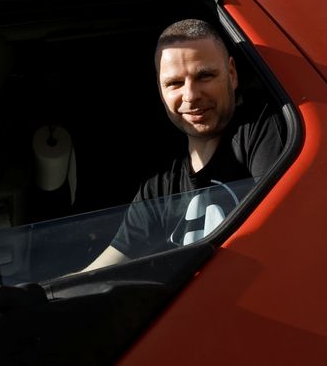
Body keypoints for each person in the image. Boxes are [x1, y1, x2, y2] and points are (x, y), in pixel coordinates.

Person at [83, 18, 286, 271]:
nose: (190, 95)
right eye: (174, 83)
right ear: (161, 91)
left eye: (205, 76)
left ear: (232, 74)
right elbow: (101, 271)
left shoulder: (263, 128)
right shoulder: (158, 189)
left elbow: (280, 234)